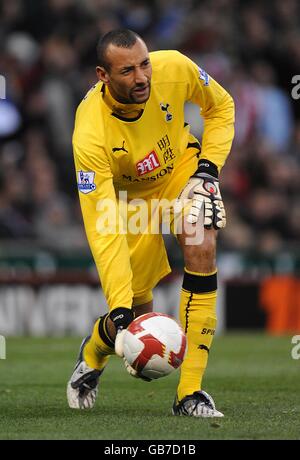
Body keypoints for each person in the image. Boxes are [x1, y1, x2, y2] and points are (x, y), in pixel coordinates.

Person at [67, 29, 234, 417]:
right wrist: (120, 305)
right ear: (102, 76)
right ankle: (93, 350)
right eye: (128, 70)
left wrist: (208, 169)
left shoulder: (173, 66)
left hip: (181, 174)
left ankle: (190, 393)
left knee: (202, 246)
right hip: (127, 202)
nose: (142, 77)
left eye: (145, 63)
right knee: (136, 318)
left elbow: (222, 107)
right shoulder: (90, 133)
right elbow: (102, 224)